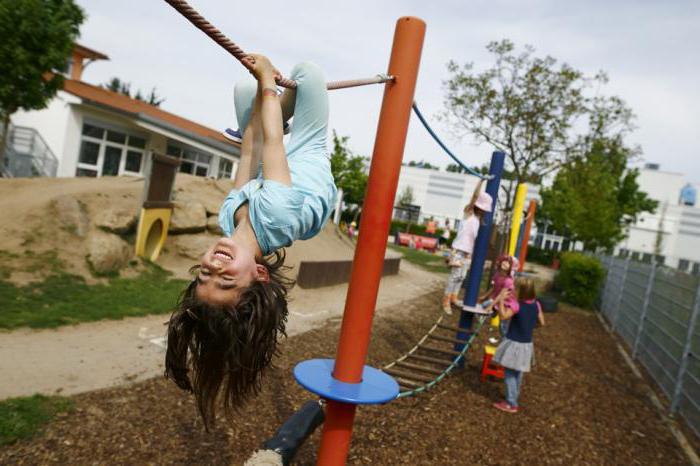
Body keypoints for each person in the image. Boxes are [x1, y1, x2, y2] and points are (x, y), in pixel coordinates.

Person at [165, 56, 337, 429]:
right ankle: (283, 103)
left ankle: (276, 103)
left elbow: (249, 152)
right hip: (307, 156)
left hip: (269, 168)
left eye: (204, 277)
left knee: (245, 92)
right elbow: (272, 140)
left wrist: (260, 101)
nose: (214, 268)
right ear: (259, 273)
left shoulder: (229, 219)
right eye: (226, 280)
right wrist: (267, 83)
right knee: (308, 72)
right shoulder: (273, 219)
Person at [492, 277, 545, 413]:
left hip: (514, 344)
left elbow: (503, 316)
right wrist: (529, 326)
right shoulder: (536, 304)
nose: (512, 289)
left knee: (509, 373)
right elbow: (542, 323)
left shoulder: (516, 305)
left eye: (515, 288)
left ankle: (511, 403)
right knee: (518, 373)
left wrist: (502, 300)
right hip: (527, 344)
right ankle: (513, 398)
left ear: (521, 291)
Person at [442, 192, 493, 314]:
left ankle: (454, 297)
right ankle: (446, 300)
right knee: (454, 277)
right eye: (483, 208)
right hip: (458, 251)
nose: (484, 211)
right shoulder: (468, 214)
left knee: (461, 277)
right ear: (478, 206)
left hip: (467, 253)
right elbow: (474, 196)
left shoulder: (477, 220)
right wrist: (481, 181)